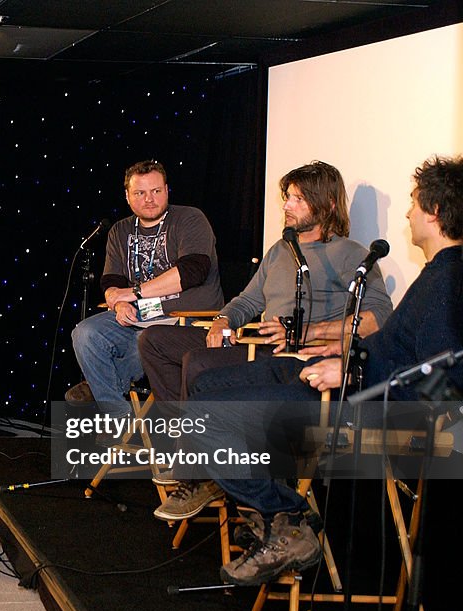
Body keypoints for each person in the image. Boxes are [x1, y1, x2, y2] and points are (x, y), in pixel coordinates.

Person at [156, 155, 463, 586]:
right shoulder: (438, 277)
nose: (409, 213)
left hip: (365, 415)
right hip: (325, 377)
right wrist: (347, 360)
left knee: (209, 414)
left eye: (414, 203)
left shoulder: (447, 284)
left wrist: (352, 373)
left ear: (433, 213)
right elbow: (397, 351)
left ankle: (286, 517)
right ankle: (274, 515)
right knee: (205, 385)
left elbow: (443, 385)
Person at [138, 161, 394, 402]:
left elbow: (378, 317)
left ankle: (191, 435)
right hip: (258, 345)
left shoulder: (351, 253)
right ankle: (177, 426)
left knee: (198, 362)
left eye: (298, 199)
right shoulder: (281, 249)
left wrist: (311, 332)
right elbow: (248, 301)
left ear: (327, 206)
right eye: (287, 198)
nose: (286, 206)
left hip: (298, 355)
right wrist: (222, 321)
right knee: (153, 339)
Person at [70, 160, 224, 412]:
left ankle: (101, 388)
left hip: (183, 319)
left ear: (167, 190)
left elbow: (192, 272)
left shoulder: (190, 218)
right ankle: (118, 417)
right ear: (127, 196)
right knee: (84, 333)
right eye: (140, 193)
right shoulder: (120, 230)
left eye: (156, 191)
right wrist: (118, 301)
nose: (149, 199)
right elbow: (111, 281)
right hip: (139, 315)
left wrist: (132, 293)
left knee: (147, 339)